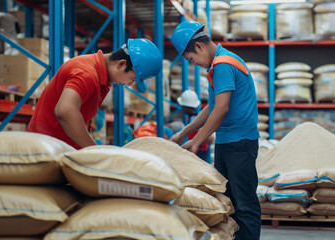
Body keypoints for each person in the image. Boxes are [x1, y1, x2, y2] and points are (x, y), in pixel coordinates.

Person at [169, 20, 261, 239]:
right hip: (228, 143)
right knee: (227, 201)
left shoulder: (223, 65)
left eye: (191, 59)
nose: (194, 63)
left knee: (244, 204)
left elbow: (221, 109)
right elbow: (211, 107)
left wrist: (198, 141)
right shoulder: (217, 65)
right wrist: (184, 133)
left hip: (240, 143)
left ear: (199, 47)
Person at [27, 38, 162, 149]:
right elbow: (65, 110)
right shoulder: (87, 73)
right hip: (46, 149)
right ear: (121, 64)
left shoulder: (101, 77)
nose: (129, 84)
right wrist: (94, 151)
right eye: (132, 79)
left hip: (61, 149)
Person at [177, 89, 214, 163]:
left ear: (185, 106)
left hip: (199, 151)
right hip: (199, 148)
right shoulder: (195, 117)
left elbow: (210, 139)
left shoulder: (194, 119)